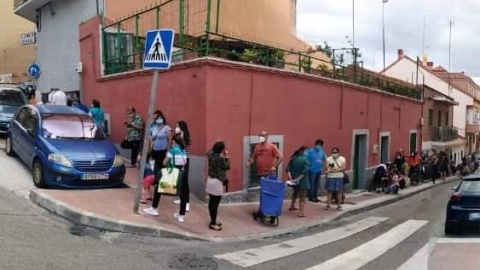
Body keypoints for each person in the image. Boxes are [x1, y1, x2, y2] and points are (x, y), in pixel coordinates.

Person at [143, 111, 172, 216]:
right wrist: (149, 153)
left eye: (159, 118)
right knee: (152, 174)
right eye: (156, 118)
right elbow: (151, 140)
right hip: (154, 153)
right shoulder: (154, 128)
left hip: (162, 154)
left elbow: (170, 142)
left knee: (160, 178)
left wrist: (167, 155)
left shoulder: (167, 128)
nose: (158, 120)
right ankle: (151, 198)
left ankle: (154, 207)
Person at [205, 141, 230, 231]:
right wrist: (227, 156)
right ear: (221, 150)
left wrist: (216, 146)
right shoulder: (220, 159)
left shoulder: (210, 155)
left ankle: (213, 220)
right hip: (217, 182)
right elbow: (227, 166)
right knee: (215, 203)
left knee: (211, 201)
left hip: (210, 180)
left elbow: (208, 151)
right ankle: (213, 223)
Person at [173, 121, 192, 211]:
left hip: (184, 161)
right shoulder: (177, 136)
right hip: (177, 160)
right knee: (179, 180)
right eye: (176, 126)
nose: (176, 128)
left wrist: (180, 137)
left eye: (178, 126)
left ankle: (187, 203)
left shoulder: (186, 136)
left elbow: (183, 147)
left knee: (184, 181)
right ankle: (181, 199)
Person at [286, 146, 310, 217]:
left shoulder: (293, 158)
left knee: (295, 192)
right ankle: (301, 212)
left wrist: (291, 179)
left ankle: (292, 205)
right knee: (302, 196)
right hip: (303, 181)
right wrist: (298, 179)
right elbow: (305, 171)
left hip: (293, 180)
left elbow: (288, 169)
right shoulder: (305, 159)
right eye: (307, 151)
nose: (307, 153)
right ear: (302, 151)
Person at [324, 147, 346, 211]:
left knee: (339, 191)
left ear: (338, 153)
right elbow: (327, 166)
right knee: (329, 191)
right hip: (330, 176)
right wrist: (330, 170)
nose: (334, 153)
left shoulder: (342, 159)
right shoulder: (328, 159)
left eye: (335, 152)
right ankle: (328, 205)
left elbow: (343, 167)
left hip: (339, 176)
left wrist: (335, 170)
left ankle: (339, 205)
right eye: (333, 152)